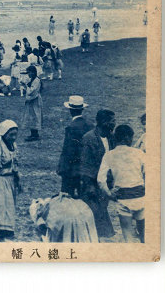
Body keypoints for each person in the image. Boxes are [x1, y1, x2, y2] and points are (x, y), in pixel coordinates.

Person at [97, 125, 145, 242]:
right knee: (144, 235)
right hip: (140, 197)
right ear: (129, 138)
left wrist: (109, 194)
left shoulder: (109, 155)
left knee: (128, 236)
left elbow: (100, 180)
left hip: (123, 198)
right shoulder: (139, 153)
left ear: (116, 138)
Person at [78, 109, 116, 239]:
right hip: (92, 182)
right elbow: (85, 164)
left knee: (102, 208)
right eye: (112, 121)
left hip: (105, 181)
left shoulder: (111, 137)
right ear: (104, 122)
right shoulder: (89, 138)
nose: (114, 124)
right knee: (95, 211)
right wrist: (89, 186)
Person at [0, 120, 20, 242]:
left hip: (10, 179)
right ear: (4, 133)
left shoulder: (13, 145)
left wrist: (17, 179)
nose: (13, 137)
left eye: (15, 134)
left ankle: (7, 229)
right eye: (11, 135)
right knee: (0, 205)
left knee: (9, 205)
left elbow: (15, 164)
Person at [57, 96, 93, 196]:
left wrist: (62, 168)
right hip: (86, 168)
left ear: (70, 110)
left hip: (72, 169)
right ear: (82, 109)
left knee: (68, 196)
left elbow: (68, 151)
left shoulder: (71, 128)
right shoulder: (90, 125)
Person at [29, 193, 98, 242]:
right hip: (84, 213)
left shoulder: (49, 211)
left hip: (69, 218)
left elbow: (47, 233)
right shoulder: (54, 202)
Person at [22, 65, 42, 141]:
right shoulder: (32, 80)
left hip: (35, 100)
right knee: (30, 116)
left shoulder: (37, 81)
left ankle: (35, 134)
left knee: (35, 116)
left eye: (29, 72)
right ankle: (33, 133)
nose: (28, 74)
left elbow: (31, 91)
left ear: (33, 72)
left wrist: (25, 86)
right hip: (31, 100)